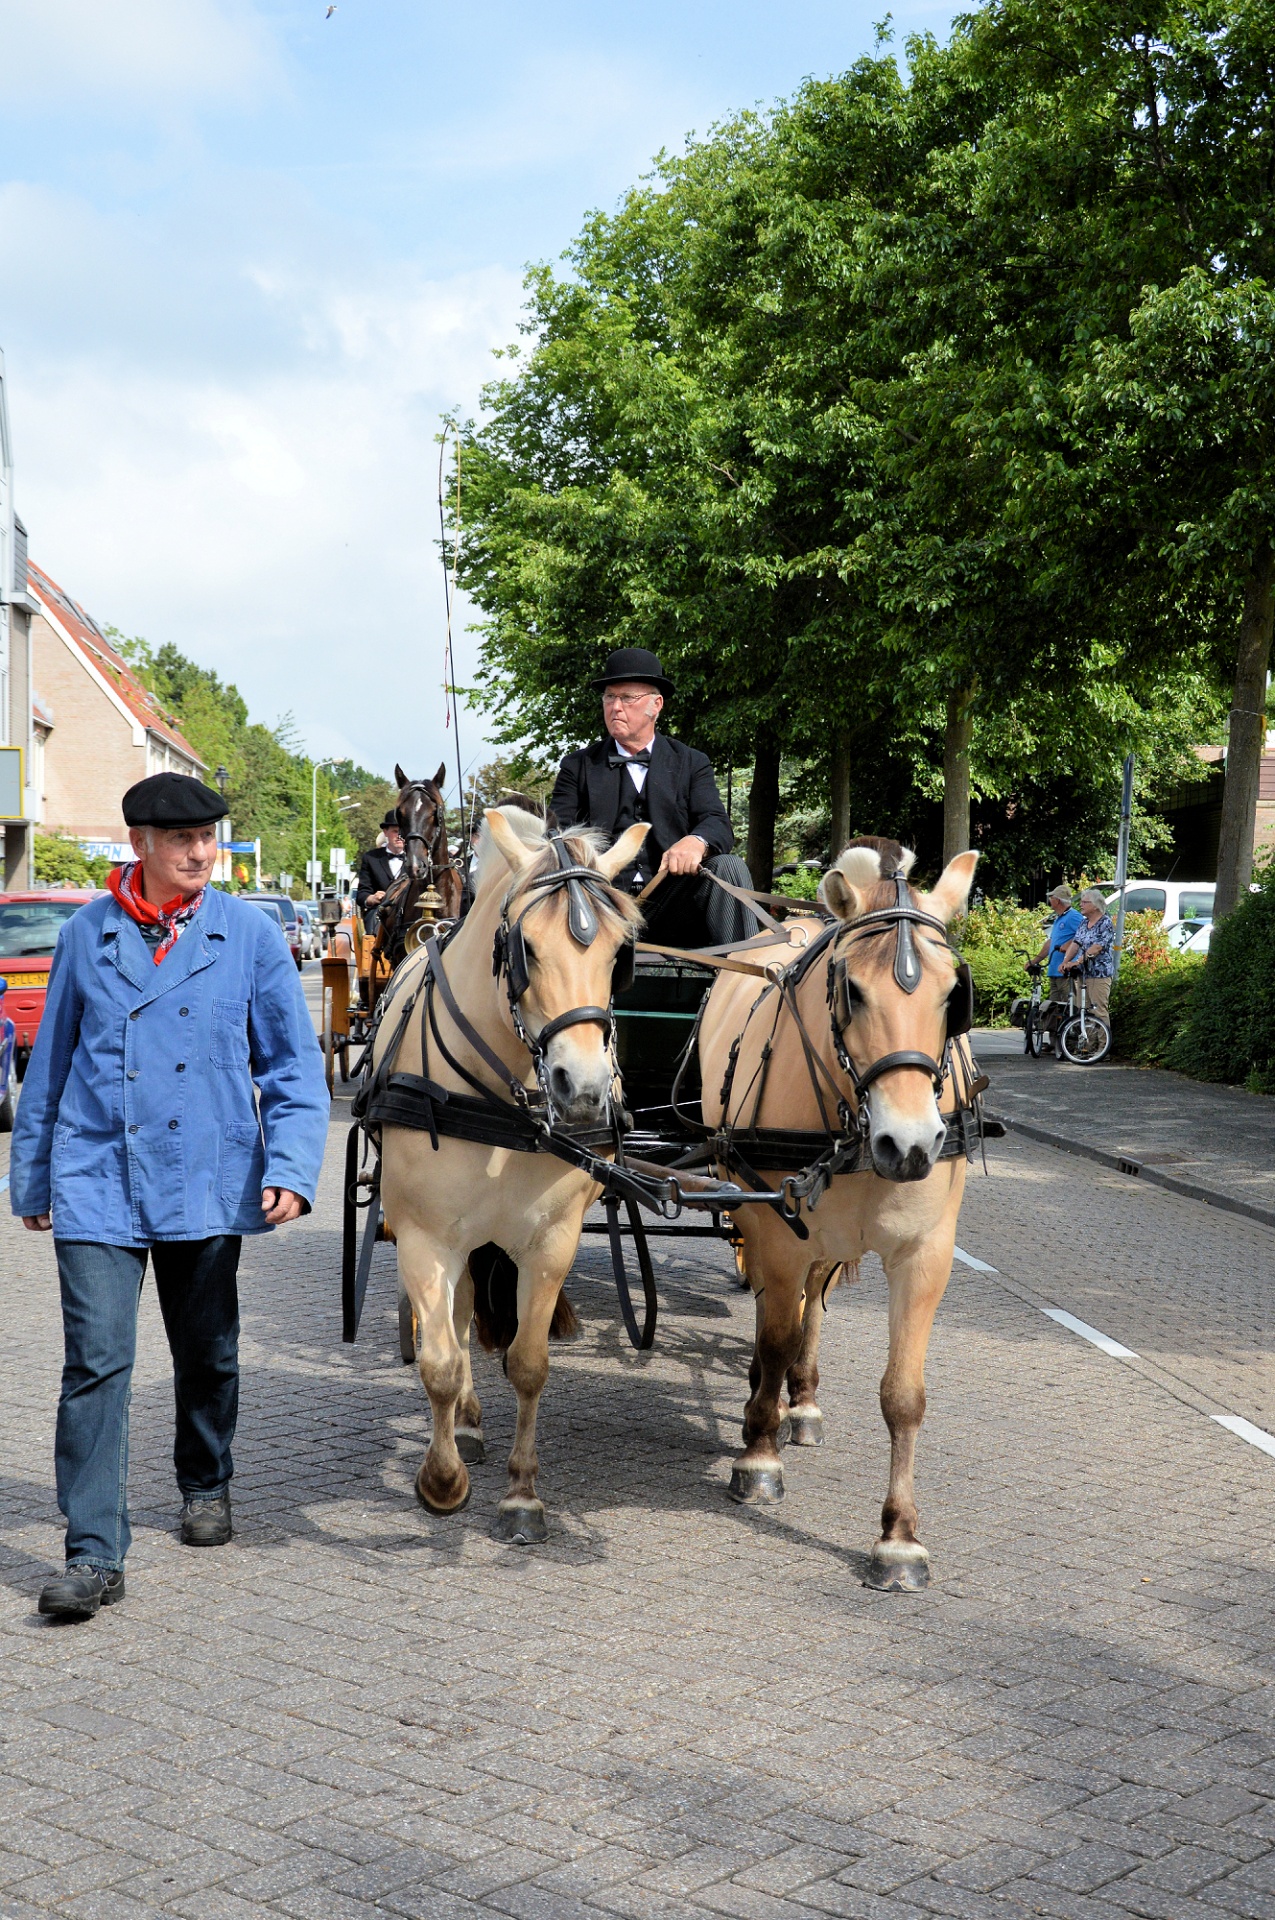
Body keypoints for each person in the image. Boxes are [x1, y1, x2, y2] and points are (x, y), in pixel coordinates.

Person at [9, 772, 330, 1621]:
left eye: (209, 836)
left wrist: (292, 1167)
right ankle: (93, 1554)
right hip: (98, 1174)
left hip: (207, 1176)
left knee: (208, 1351)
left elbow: (293, 1067)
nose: (200, 851)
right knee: (96, 1363)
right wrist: (34, 1177)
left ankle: (205, 1478)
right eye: (183, 838)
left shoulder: (250, 936)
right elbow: (49, 1065)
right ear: (141, 845)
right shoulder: (88, 934)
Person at [550, 647, 758, 947]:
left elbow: (716, 822)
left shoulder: (691, 762)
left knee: (729, 866)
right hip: (600, 904)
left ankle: (744, 983)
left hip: (673, 904)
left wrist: (695, 842)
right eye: (609, 697)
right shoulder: (577, 766)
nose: (615, 708)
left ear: (655, 705)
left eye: (627, 698)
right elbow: (556, 835)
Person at [1035, 885, 1084, 1041]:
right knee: (1054, 1008)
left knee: (1068, 1007)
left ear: (1058, 900)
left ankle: (1068, 1042)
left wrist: (1068, 945)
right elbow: (1051, 942)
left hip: (1066, 972)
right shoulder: (1059, 918)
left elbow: (1083, 935)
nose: (1050, 900)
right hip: (1054, 971)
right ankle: (1054, 1042)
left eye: (1052, 897)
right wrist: (1035, 960)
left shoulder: (1073, 916)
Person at [1060, 887, 1117, 1020]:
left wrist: (1077, 961)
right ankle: (1088, 1040)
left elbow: (1097, 948)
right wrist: (1065, 961)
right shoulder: (1084, 923)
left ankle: (1103, 1041)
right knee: (1083, 1011)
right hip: (1083, 974)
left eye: (1085, 902)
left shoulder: (1105, 923)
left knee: (1098, 1011)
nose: (1081, 904)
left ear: (1096, 906)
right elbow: (1076, 943)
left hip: (1099, 974)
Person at [355, 813, 405, 921]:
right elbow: (362, 894)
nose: (400, 836)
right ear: (385, 832)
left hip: (408, 914)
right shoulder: (371, 858)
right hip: (379, 914)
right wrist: (371, 898)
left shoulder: (417, 859)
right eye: (395, 831)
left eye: (403, 832)